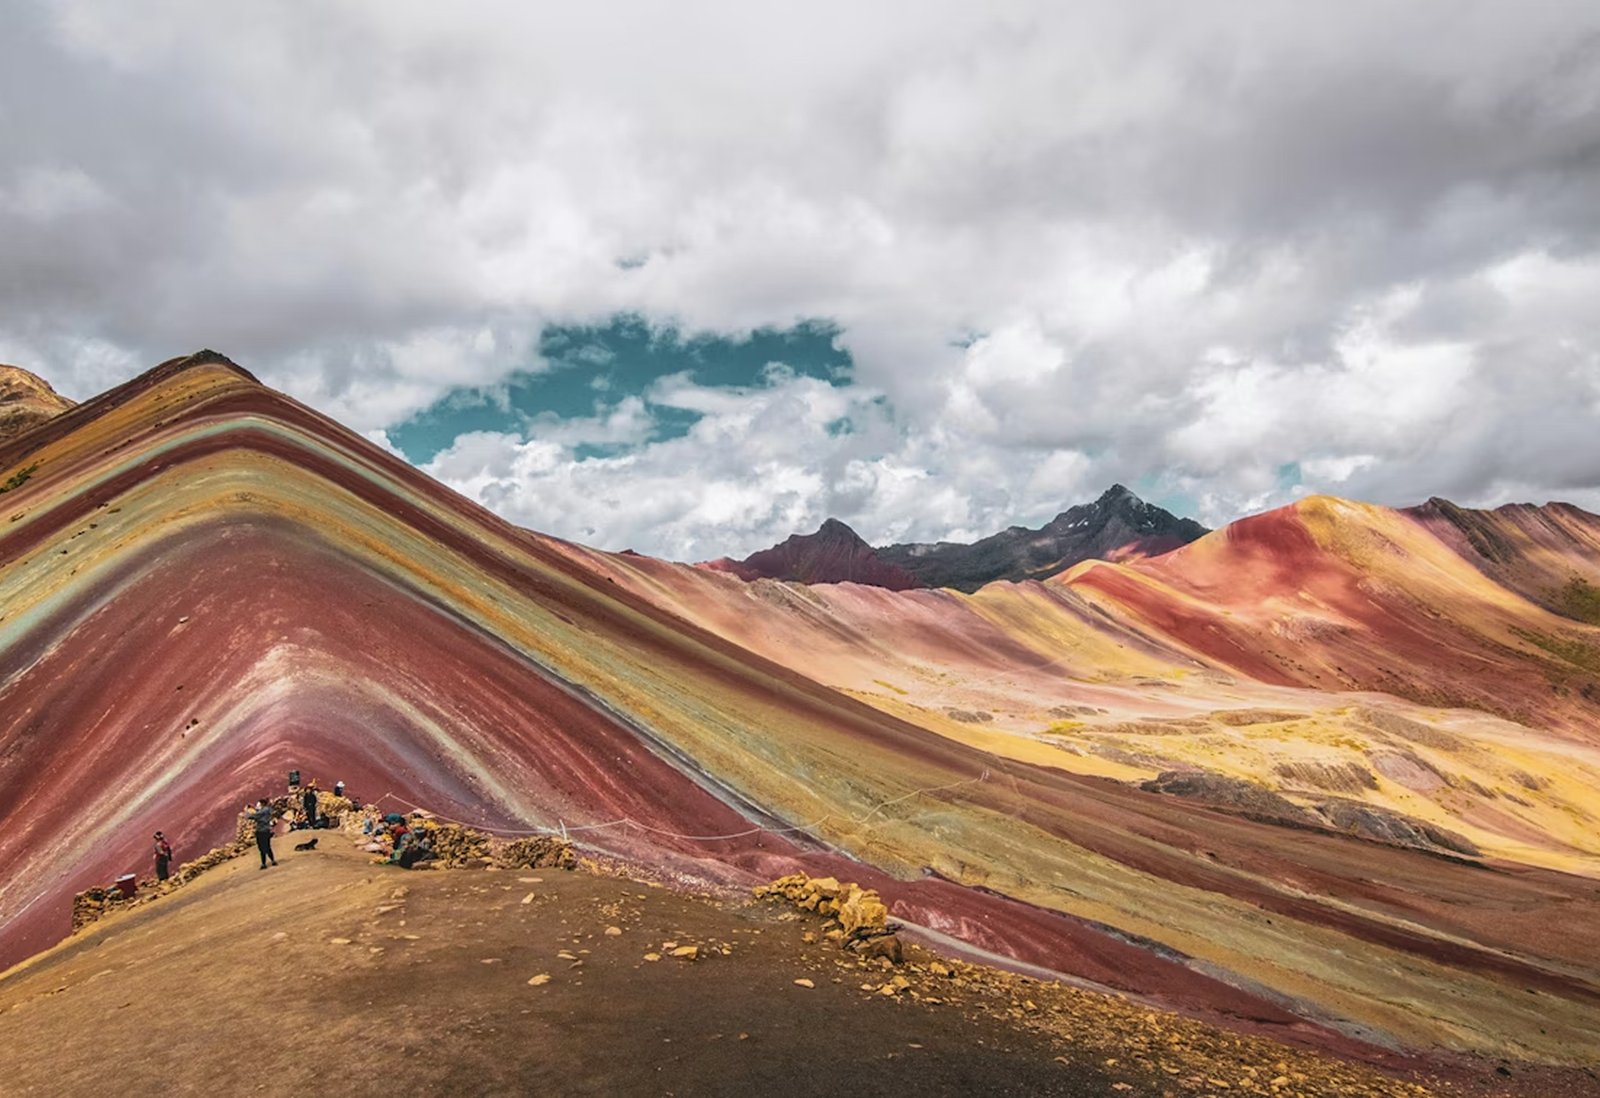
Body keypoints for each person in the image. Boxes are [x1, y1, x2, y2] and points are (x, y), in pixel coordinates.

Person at [248, 799, 278, 869]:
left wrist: (248, 811)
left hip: (261, 831)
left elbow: (252, 816)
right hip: (267, 830)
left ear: (262, 803)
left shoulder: (263, 811)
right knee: (268, 846)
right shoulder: (269, 810)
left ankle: (263, 863)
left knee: (261, 848)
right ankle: (273, 860)